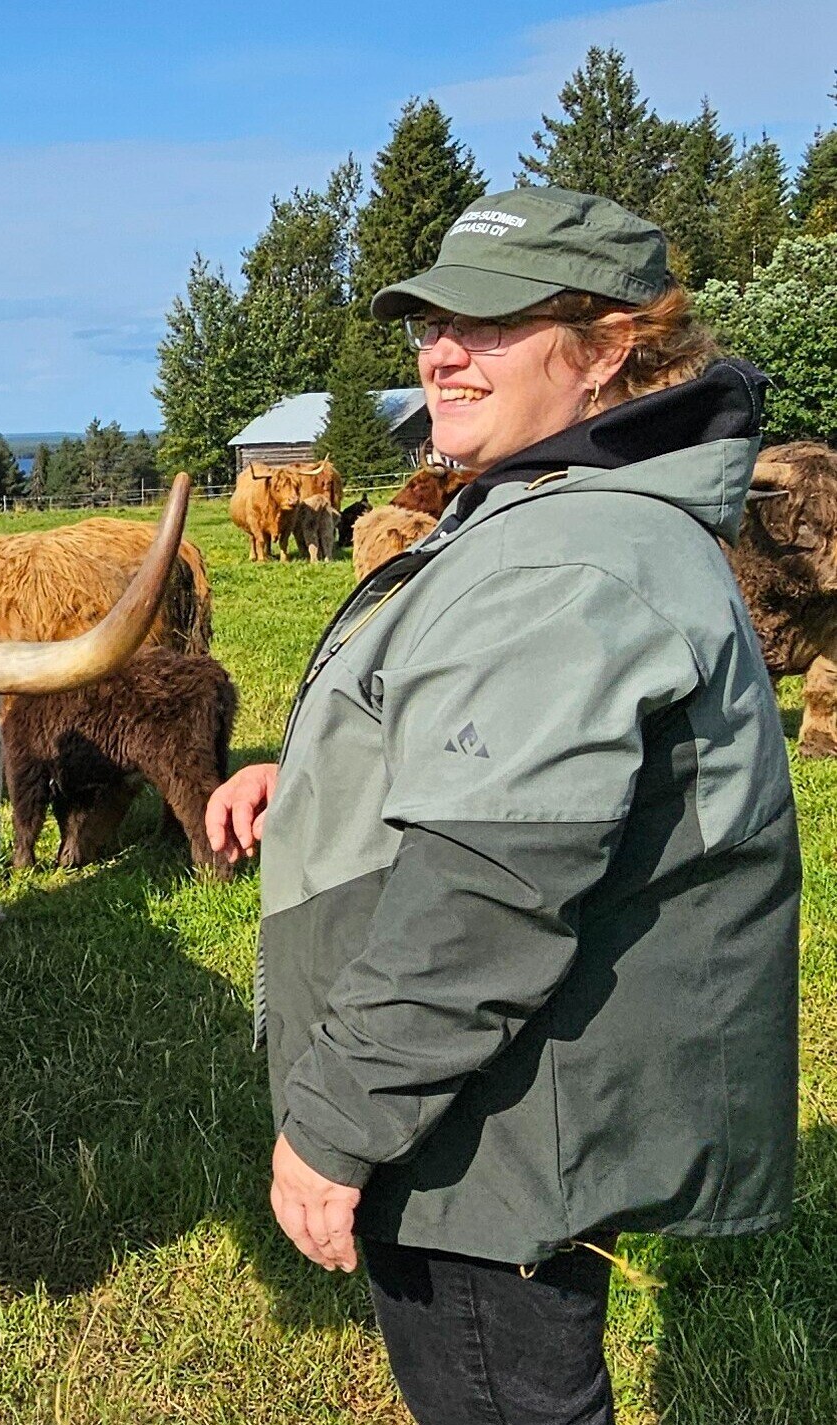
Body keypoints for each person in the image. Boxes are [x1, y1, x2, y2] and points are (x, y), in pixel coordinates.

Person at [206, 187, 799, 1425]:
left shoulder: (567, 557)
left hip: (493, 1130)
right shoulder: (554, 507)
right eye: (430, 321)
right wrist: (314, 776)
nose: (437, 352)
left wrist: (333, 1125)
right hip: (509, 1093)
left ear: (609, 351)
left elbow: (484, 891)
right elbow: (513, 754)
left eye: (488, 325)